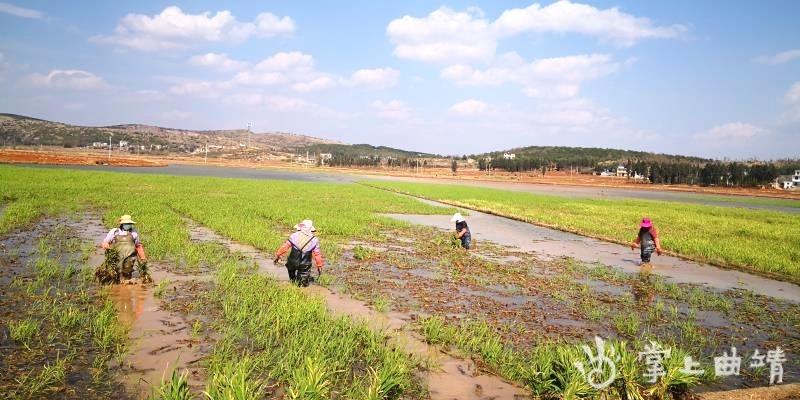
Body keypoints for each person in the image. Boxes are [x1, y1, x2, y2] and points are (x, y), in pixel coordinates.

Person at [274, 219, 324, 287]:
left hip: (292, 261)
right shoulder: (314, 240)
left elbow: (285, 247)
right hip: (305, 264)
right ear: (311, 229)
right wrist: (319, 265)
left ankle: (292, 285)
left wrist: (278, 255)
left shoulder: (294, 236)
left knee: (292, 277)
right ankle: (300, 288)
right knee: (302, 284)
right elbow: (317, 254)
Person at [100, 215, 148, 282]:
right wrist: (108, 248)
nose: (128, 225)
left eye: (129, 224)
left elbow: (138, 245)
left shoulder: (134, 233)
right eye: (126, 224)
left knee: (127, 273)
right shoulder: (114, 232)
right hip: (117, 256)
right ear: (122, 224)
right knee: (116, 274)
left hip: (130, 257)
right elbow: (105, 242)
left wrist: (143, 257)